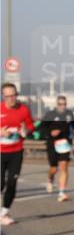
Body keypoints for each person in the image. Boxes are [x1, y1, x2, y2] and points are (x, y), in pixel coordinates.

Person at [1, 83, 34, 225]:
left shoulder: (24, 110)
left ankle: (3, 213)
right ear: (3, 96)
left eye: (13, 95)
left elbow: (31, 126)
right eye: (8, 96)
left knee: (12, 183)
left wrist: (25, 130)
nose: (11, 99)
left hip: (16, 151)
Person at [41, 95, 74, 202]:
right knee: (54, 169)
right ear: (56, 104)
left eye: (64, 104)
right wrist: (51, 133)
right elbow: (42, 128)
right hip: (52, 144)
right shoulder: (50, 115)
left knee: (64, 167)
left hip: (65, 143)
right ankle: (50, 180)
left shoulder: (69, 114)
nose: (62, 106)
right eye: (60, 104)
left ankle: (62, 193)